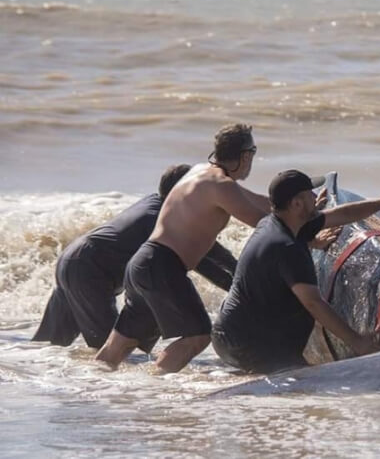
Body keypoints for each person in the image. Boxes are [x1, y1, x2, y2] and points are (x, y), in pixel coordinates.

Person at [95, 124, 272, 373]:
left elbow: (255, 200)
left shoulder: (201, 172)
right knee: (197, 336)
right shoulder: (223, 186)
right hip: (163, 267)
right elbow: (263, 223)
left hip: (142, 263)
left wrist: (298, 207)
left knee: (121, 344)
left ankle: (91, 389)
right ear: (246, 155)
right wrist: (313, 235)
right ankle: (153, 388)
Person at [212, 171, 380, 373]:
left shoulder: (280, 224)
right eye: (310, 194)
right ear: (296, 204)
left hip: (233, 334)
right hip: (246, 344)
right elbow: (314, 303)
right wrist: (358, 342)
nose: (316, 198)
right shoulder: (288, 247)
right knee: (307, 388)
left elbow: (343, 215)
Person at [32, 165, 237, 350]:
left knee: (49, 344)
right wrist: (242, 289)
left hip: (72, 259)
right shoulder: (167, 219)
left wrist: (238, 277)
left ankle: (24, 378)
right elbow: (205, 259)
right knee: (112, 350)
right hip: (88, 269)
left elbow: (209, 251)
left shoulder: (154, 204)